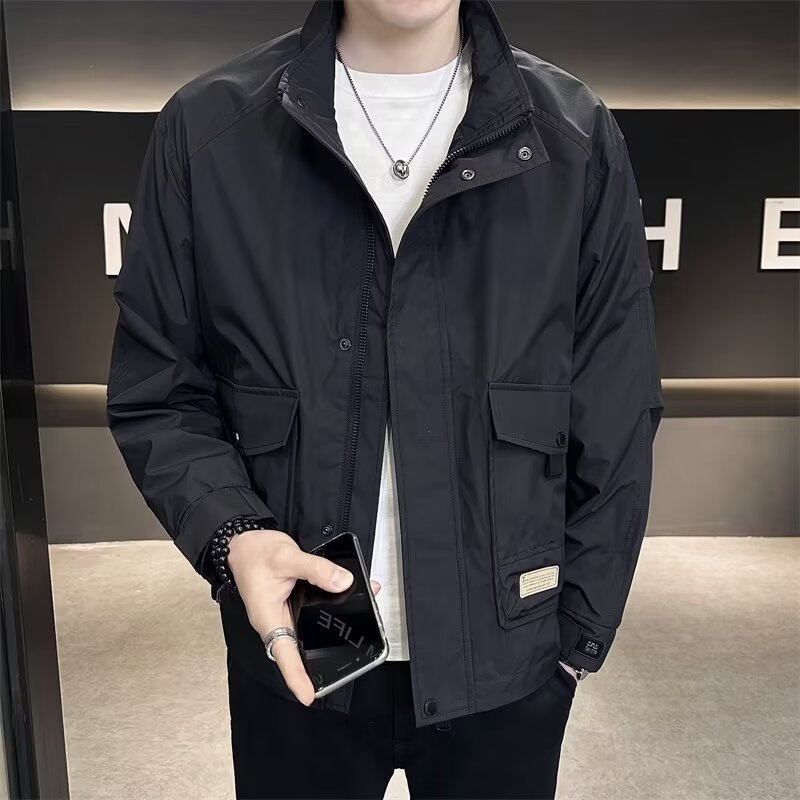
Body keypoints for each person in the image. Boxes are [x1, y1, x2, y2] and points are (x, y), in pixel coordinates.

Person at [106, 0, 664, 797]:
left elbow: (617, 410)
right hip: (300, 645)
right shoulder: (208, 133)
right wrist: (234, 533)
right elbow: (159, 390)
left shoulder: (573, 138)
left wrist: (578, 635)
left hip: (509, 659)